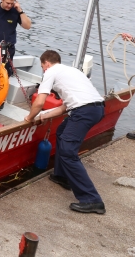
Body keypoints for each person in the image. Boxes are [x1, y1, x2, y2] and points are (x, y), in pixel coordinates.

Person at [24, 50, 105, 214]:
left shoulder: (51, 71)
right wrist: (45, 116)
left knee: (68, 152)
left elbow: (39, 102)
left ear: (46, 63)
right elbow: (65, 107)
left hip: (84, 112)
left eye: (42, 67)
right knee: (61, 133)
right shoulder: (72, 71)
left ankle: (92, 199)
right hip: (95, 109)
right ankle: (62, 176)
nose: (43, 70)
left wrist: (29, 118)